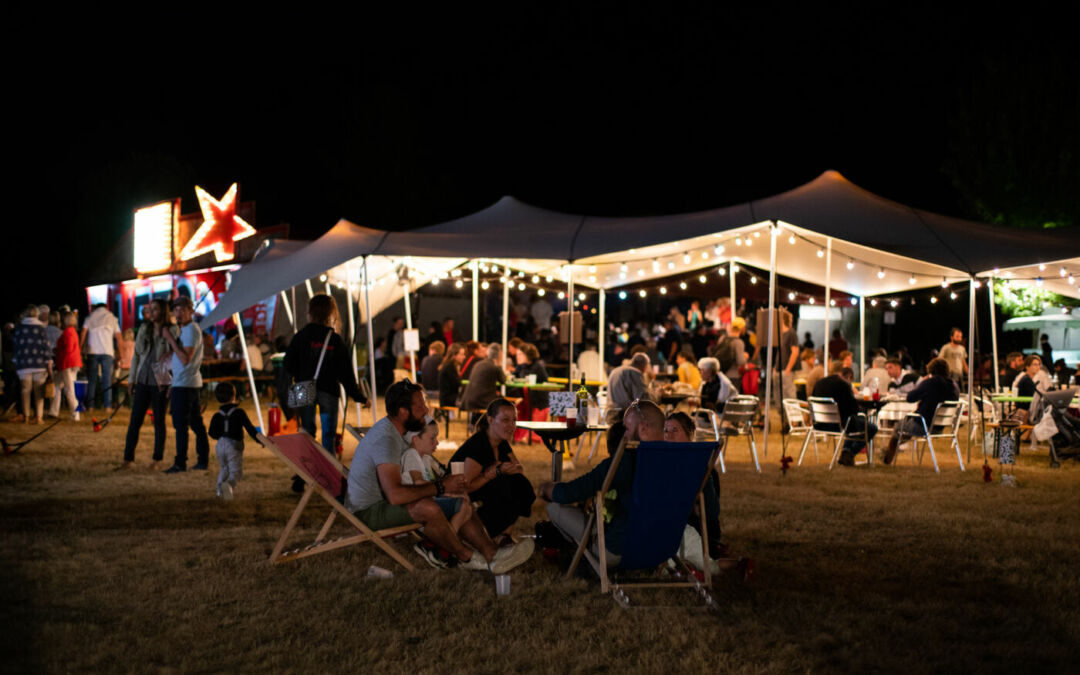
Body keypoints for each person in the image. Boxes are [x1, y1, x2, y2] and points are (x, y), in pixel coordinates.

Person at [346, 380, 533, 572]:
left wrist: (444, 488)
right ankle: (466, 557)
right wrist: (442, 487)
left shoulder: (397, 433)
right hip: (369, 510)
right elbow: (395, 495)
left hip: (387, 501)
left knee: (459, 500)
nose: (426, 410)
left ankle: (492, 554)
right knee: (428, 506)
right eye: (420, 405)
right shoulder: (387, 440)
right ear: (403, 412)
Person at [538, 400, 666, 567]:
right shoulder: (680, 460)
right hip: (661, 549)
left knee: (554, 507)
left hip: (618, 550)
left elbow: (569, 493)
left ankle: (582, 554)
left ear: (642, 428)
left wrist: (547, 489)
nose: (624, 435)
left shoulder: (625, 462)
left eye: (626, 429)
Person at [283, 294, 368, 454]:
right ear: (331, 313)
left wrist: (301, 376)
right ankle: (329, 470)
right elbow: (346, 373)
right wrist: (359, 397)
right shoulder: (334, 339)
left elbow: (288, 364)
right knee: (328, 435)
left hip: (302, 387)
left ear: (310, 312)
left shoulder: (300, 337)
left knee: (306, 432)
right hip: (328, 389)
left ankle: (308, 467)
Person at [450, 398, 536, 539]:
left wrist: (504, 470)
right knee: (505, 487)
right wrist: (494, 473)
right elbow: (464, 487)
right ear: (490, 420)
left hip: (486, 486)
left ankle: (505, 535)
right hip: (462, 494)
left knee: (521, 485)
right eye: (505, 420)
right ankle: (480, 535)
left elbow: (519, 468)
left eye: (514, 420)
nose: (511, 426)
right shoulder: (479, 446)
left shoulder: (500, 441)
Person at [663, 412, 726, 560]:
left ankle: (711, 547)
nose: (668, 436)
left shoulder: (701, 468)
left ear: (690, 434)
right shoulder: (661, 465)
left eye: (675, 431)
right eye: (666, 431)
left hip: (693, 529)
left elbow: (711, 511)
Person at [120, 299, 172, 470]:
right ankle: (128, 459)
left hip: (161, 381)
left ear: (163, 311)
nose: (151, 313)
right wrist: (132, 379)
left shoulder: (171, 330)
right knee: (135, 420)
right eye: (150, 309)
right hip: (143, 379)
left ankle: (157, 459)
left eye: (155, 309)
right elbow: (136, 356)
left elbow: (175, 356)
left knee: (159, 421)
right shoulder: (144, 329)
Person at [161, 297, 210, 473]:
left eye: (182, 310)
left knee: (182, 425)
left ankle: (180, 463)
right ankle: (202, 460)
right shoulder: (187, 330)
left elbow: (186, 359)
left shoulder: (190, 331)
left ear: (190, 311)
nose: (178, 314)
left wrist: (170, 340)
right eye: (176, 310)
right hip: (184, 383)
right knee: (195, 423)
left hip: (186, 385)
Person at [401, 418, 473, 536]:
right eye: (432, 438)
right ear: (416, 439)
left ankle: (444, 540)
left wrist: (451, 488)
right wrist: (445, 490)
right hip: (417, 504)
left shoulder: (426, 458)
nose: (437, 442)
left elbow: (437, 482)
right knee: (463, 506)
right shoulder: (411, 455)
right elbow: (419, 483)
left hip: (427, 499)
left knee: (466, 504)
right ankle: (444, 543)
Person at [884, 357, 958, 464]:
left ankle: (887, 459)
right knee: (906, 428)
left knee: (898, 429)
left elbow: (910, 398)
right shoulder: (954, 386)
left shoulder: (930, 382)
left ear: (931, 370)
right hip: (939, 427)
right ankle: (892, 451)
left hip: (923, 424)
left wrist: (923, 382)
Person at [811, 365, 877, 467]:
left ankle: (846, 453)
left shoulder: (819, 383)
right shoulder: (843, 385)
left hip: (819, 424)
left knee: (853, 423)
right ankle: (849, 453)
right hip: (838, 425)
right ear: (849, 376)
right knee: (871, 428)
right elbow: (854, 409)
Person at [208, 382, 263, 499]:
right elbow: (251, 429)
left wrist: (221, 436)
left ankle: (219, 491)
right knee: (235, 472)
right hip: (234, 446)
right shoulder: (239, 412)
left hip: (220, 445)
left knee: (224, 469)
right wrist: (260, 440)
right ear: (234, 395)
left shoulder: (216, 415)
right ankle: (229, 486)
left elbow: (211, 433)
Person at [12, 305, 53, 424]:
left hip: (24, 364)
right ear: (36, 314)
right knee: (38, 392)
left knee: (25, 390)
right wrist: (48, 362)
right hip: (39, 364)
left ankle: (26, 416)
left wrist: (15, 361)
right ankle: (39, 417)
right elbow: (46, 347)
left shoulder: (19, 328)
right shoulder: (41, 328)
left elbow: (16, 347)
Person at [81, 303, 120, 410]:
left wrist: (80, 348)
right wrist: (119, 353)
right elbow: (118, 337)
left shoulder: (90, 317)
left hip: (92, 351)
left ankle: (90, 405)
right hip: (107, 351)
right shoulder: (112, 318)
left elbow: (83, 333)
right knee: (106, 379)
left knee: (92, 379)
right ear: (106, 307)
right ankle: (107, 405)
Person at [52, 311, 82, 421]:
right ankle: (53, 411)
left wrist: (57, 350)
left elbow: (68, 349)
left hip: (67, 363)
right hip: (72, 362)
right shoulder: (73, 331)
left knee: (69, 389)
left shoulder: (67, 332)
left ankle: (75, 415)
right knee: (57, 385)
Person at [460, 343, 506, 412]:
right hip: (481, 402)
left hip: (468, 400)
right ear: (499, 355)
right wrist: (499, 365)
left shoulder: (478, 364)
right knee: (503, 402)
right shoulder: (494, 367)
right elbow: (503, 380)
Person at [606, 353, 651, 422]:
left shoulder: (616, 370)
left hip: (610, 414)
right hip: (625, 416)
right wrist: (658, 394)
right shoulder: (635, 373)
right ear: (644, 366)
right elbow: (643, 399)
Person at [773, 312, 800, 426]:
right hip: (779, 369)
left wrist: (788, 368)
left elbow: (795, 351)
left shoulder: (791, 333)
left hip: (786, 369)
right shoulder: (781, 334)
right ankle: (785, 421)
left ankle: (794, 421)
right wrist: (775, 367)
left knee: (790, 394)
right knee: (780, 396)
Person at [710, 317, 747, 386]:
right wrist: (745, 356)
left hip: (720, 374)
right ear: (742, 328)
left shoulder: (723, 338)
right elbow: (741, 361)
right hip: (732, 376)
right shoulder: (738, 342)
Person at [513, 342, 549, 412]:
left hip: (539, 404)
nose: (517, 357)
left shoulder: (537, 366)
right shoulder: (522, 365)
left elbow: (527, 380)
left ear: (528, 355)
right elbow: (513, 377)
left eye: (520, 354)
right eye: (517, 354)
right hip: (528, 400)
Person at [438, 343, 465, 407]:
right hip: (448, 400)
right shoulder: (449, 367)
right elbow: (458, 383)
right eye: (462, 354)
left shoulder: (449, 365)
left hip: (446, 398)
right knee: (471, 402)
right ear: (454, 355)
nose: (464, 357)